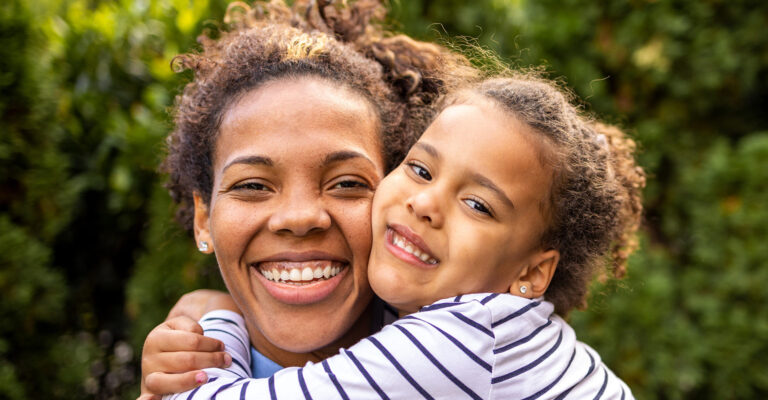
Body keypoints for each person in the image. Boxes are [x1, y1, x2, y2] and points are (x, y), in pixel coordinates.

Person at [162, 74, 646, 399]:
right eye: (419, 169)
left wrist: (217, 323)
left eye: (478, 204)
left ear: (533, 271)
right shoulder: (468, 318)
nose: (426, 204)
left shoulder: (463, 340)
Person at [139, 0, 476, 397]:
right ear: (203, 218)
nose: (299, 217)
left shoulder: (474, 361)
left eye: (347, 183)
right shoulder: (182, 377)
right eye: (252, 185)